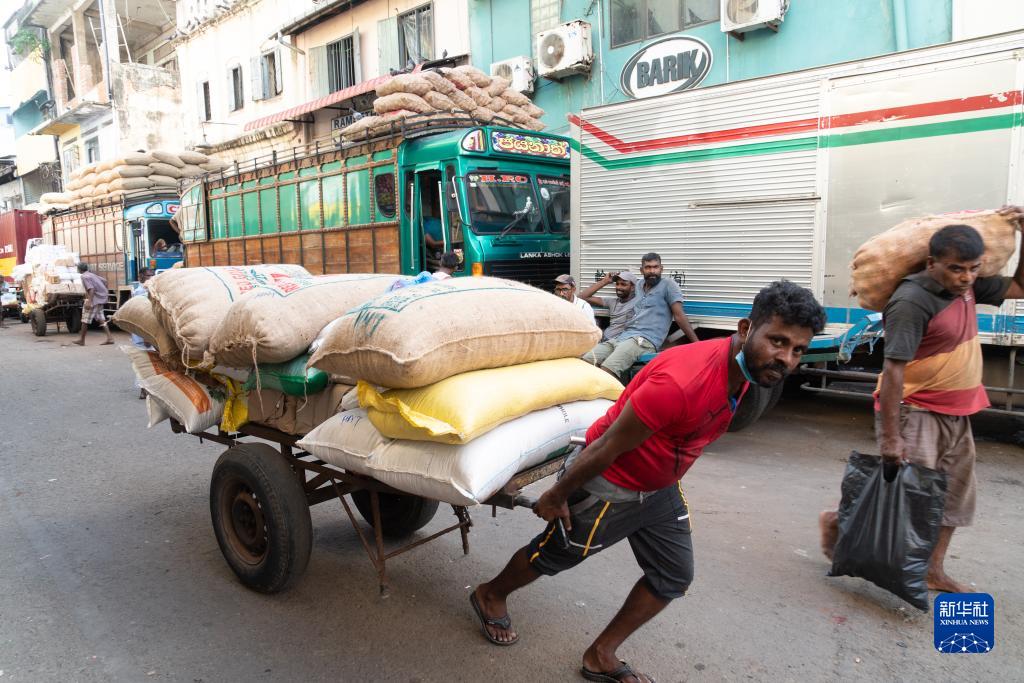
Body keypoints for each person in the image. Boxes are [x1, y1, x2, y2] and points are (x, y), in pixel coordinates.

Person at [470, 281, 826, 682]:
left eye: (798, 350)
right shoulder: (680, 383)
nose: (786, 359)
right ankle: (491, 593)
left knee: (672, 575)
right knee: (554, 556)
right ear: (745, 329)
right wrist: (556, 494)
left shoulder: (748, 372)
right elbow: (606, 448)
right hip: (609, 484)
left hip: (659, 489)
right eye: (777, 341)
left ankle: (601, 654)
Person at [819, 216, 1024, 593]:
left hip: (959, 410)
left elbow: (1020, 286)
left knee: (954, 497)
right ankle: (838, 521)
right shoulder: (912, 300)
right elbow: (894, 370)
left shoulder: (969, 286)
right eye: (956, 269)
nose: (965, 278)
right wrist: (891, 438)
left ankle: (933, 570)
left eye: (973, 269)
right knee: (908, 497)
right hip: (918, 409)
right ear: (932, 264)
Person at [582, 253, 699, 381]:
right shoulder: (637, 285)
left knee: (608, 368)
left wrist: (698, 345)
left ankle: (612, 399)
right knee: (586, 361)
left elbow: (679, 316)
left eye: (655, 267)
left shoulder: (668, 285)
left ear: (662, 268)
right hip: (622, 337)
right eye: (648, 267)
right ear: (641, 270)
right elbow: (584, 297)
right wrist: (605, 281)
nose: (652, 271)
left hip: (644, 340)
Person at [579, 271, 638, 342]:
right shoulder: (612, 302)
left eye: (623, 284)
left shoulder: (638, 302)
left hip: (618, 342)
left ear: (632, 287)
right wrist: (604, 281)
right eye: (617, 284)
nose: (619, 287)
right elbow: (582, 297)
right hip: (604, 338)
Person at [74, 263, 113, 346]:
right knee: (101, 319)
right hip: (101, 298)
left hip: (95, 300)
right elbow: (105, 281)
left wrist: (89, 301)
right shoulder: (91, 274)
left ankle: (82, 340)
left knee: (85, 320)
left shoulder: (84, 276)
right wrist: (101, 291)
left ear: (79, 269)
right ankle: (110, 338)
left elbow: (91, 289)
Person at [131, 269, 155, 398]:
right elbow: (142, 315)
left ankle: (146, 388)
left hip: (148, 333)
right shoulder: (141, 292)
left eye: (152, 275)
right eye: (148, 275)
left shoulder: (148, 290)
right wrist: (146, 335)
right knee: (144, 362)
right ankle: (143, 389)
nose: (151, 277)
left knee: (148, 361)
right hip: (143, 334)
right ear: (140, 277)